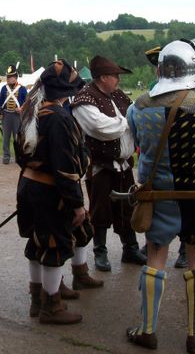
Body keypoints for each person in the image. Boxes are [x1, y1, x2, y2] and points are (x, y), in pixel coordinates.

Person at [125, 39, 195, 352]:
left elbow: (136, 144)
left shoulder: (140, 105)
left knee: (155, 258)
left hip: (157, 194)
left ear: (161, 70)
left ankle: (147, 330)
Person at [15, 59, 101, 325]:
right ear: (66, 90)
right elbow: (65, 167)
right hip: (50, 191)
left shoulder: (31, 112)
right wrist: (76, 203)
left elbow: (20, 157)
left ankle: (38, 299)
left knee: (37, 243)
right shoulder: (60, 118)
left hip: (29, 186)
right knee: (53, 246)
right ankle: (51, 307)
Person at [72, 56, 147, 271]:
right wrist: (125, 122)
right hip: (101, 166)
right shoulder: (84, 98)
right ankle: (100, 252)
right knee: (100, 210)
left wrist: (129, 123)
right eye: (115, 76)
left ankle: (130, 249)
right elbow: (101, 128)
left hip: (124, 165)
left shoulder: (118, 95)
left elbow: (136, 117)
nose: (118, 80)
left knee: (127, 207)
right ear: (103, 77)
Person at [0, 65, 28, 164]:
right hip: (6, 115)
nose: (9, 79)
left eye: (11, 77)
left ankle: (18, 157)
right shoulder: (4, 88)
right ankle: (6, 157)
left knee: (17, 138)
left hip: (17, 116)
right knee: (6, 138)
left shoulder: (22, 89)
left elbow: (27, 103)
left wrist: (21, 108)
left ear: (15, 77)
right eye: (8, 77)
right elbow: (0, 103)